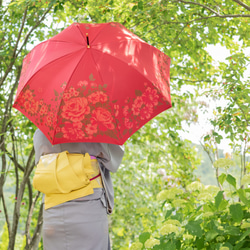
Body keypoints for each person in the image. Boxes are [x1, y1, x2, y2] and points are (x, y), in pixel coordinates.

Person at [33, 129, 124, 250]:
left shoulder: (42, 131)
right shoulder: (94, 128)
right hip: (89, 206)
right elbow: (113, 162)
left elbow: (39, 162)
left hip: (53, 211)